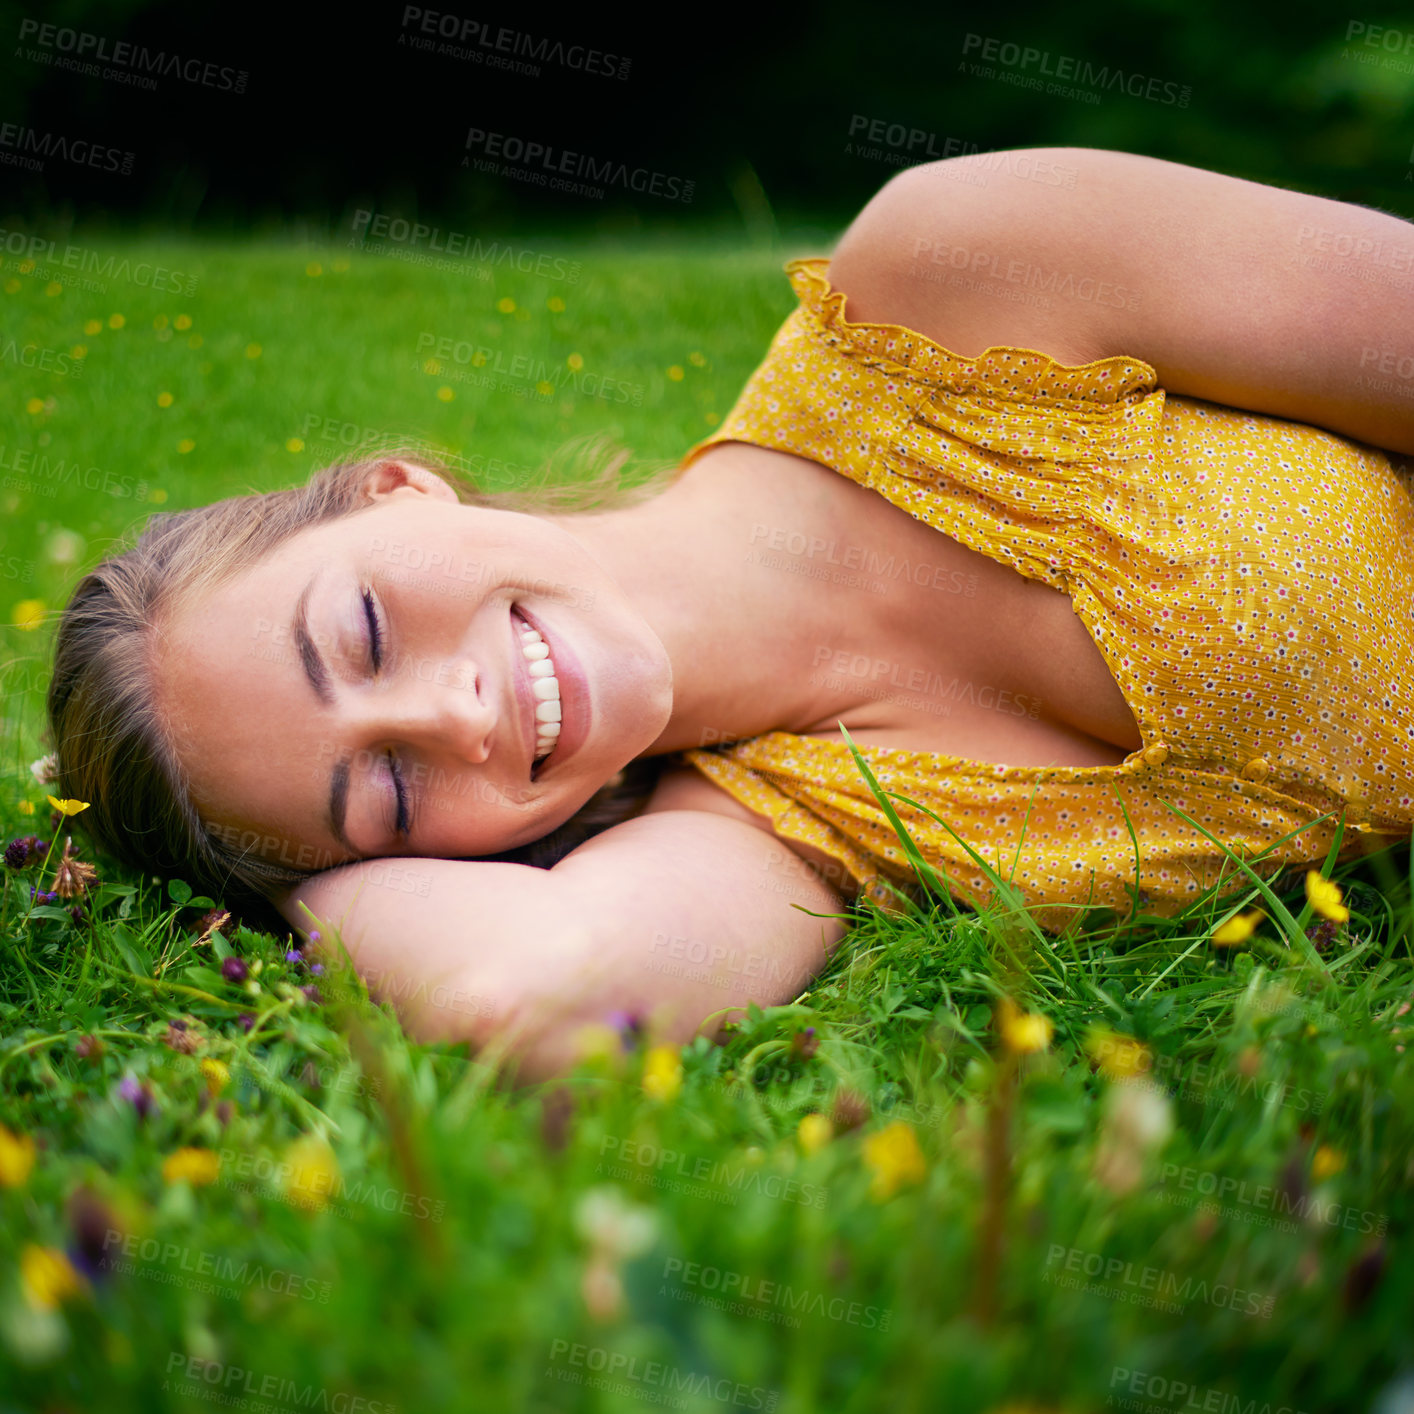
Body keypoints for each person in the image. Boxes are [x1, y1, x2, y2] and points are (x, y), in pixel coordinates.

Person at [45, 146, 1414, 1081]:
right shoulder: (771, 835)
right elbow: (523, 1000)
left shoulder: (957, 275)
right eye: (387, 791)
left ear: (397, 490)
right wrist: (290, 880)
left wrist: (340, 825)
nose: (449, 712)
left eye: (359, 634)